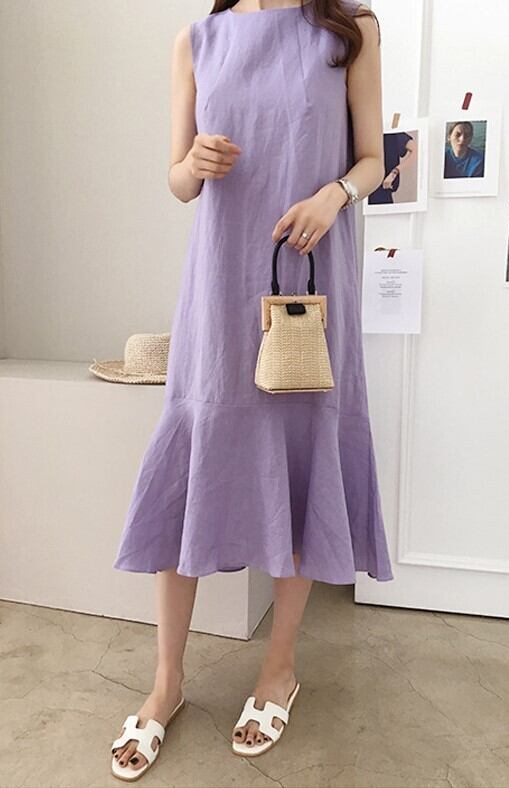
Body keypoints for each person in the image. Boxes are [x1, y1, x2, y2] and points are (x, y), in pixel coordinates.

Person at [110, 0, 394, 779]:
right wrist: (194, 163)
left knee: (301, 454)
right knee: (191, 456)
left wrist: (334, 195)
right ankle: (166, 683)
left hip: (308, 273)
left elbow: (373, 158)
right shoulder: (197, 39)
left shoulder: (349, 29)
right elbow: (176, 181)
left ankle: (278, 671)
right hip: (218, 281)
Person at [370, 130, 417, 204]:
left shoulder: (393, 134)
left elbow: (415, 150)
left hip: (383, 190)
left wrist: (394, 173)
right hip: (366, 188)